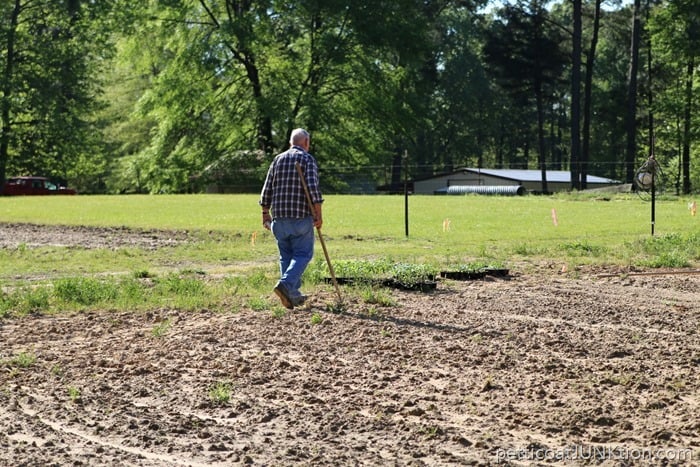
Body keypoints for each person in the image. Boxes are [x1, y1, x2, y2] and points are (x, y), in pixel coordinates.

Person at [259, 128, 323, 309]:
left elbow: (267, 189)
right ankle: (286, 285)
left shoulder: (277, 159)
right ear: (306, 143)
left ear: (290, 143)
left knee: (285, 256)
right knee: (303, 254)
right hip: (300, 218)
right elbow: (313, 191)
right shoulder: (307, 159)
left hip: (279, 219)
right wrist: (319, 215)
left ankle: (292, 295)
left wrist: (265, 213)